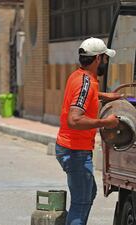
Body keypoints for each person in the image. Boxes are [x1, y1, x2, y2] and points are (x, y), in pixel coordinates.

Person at [55, 37, 122, 225]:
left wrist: (102, 95)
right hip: (75, 150)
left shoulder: (79, 76)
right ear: (98, 59)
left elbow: (83, 94)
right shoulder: (86, 82)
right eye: (105, 58)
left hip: (69, 147)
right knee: (81, 202)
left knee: (88, 192)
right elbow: (74, 119)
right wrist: (106, 122)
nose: (106, 62)